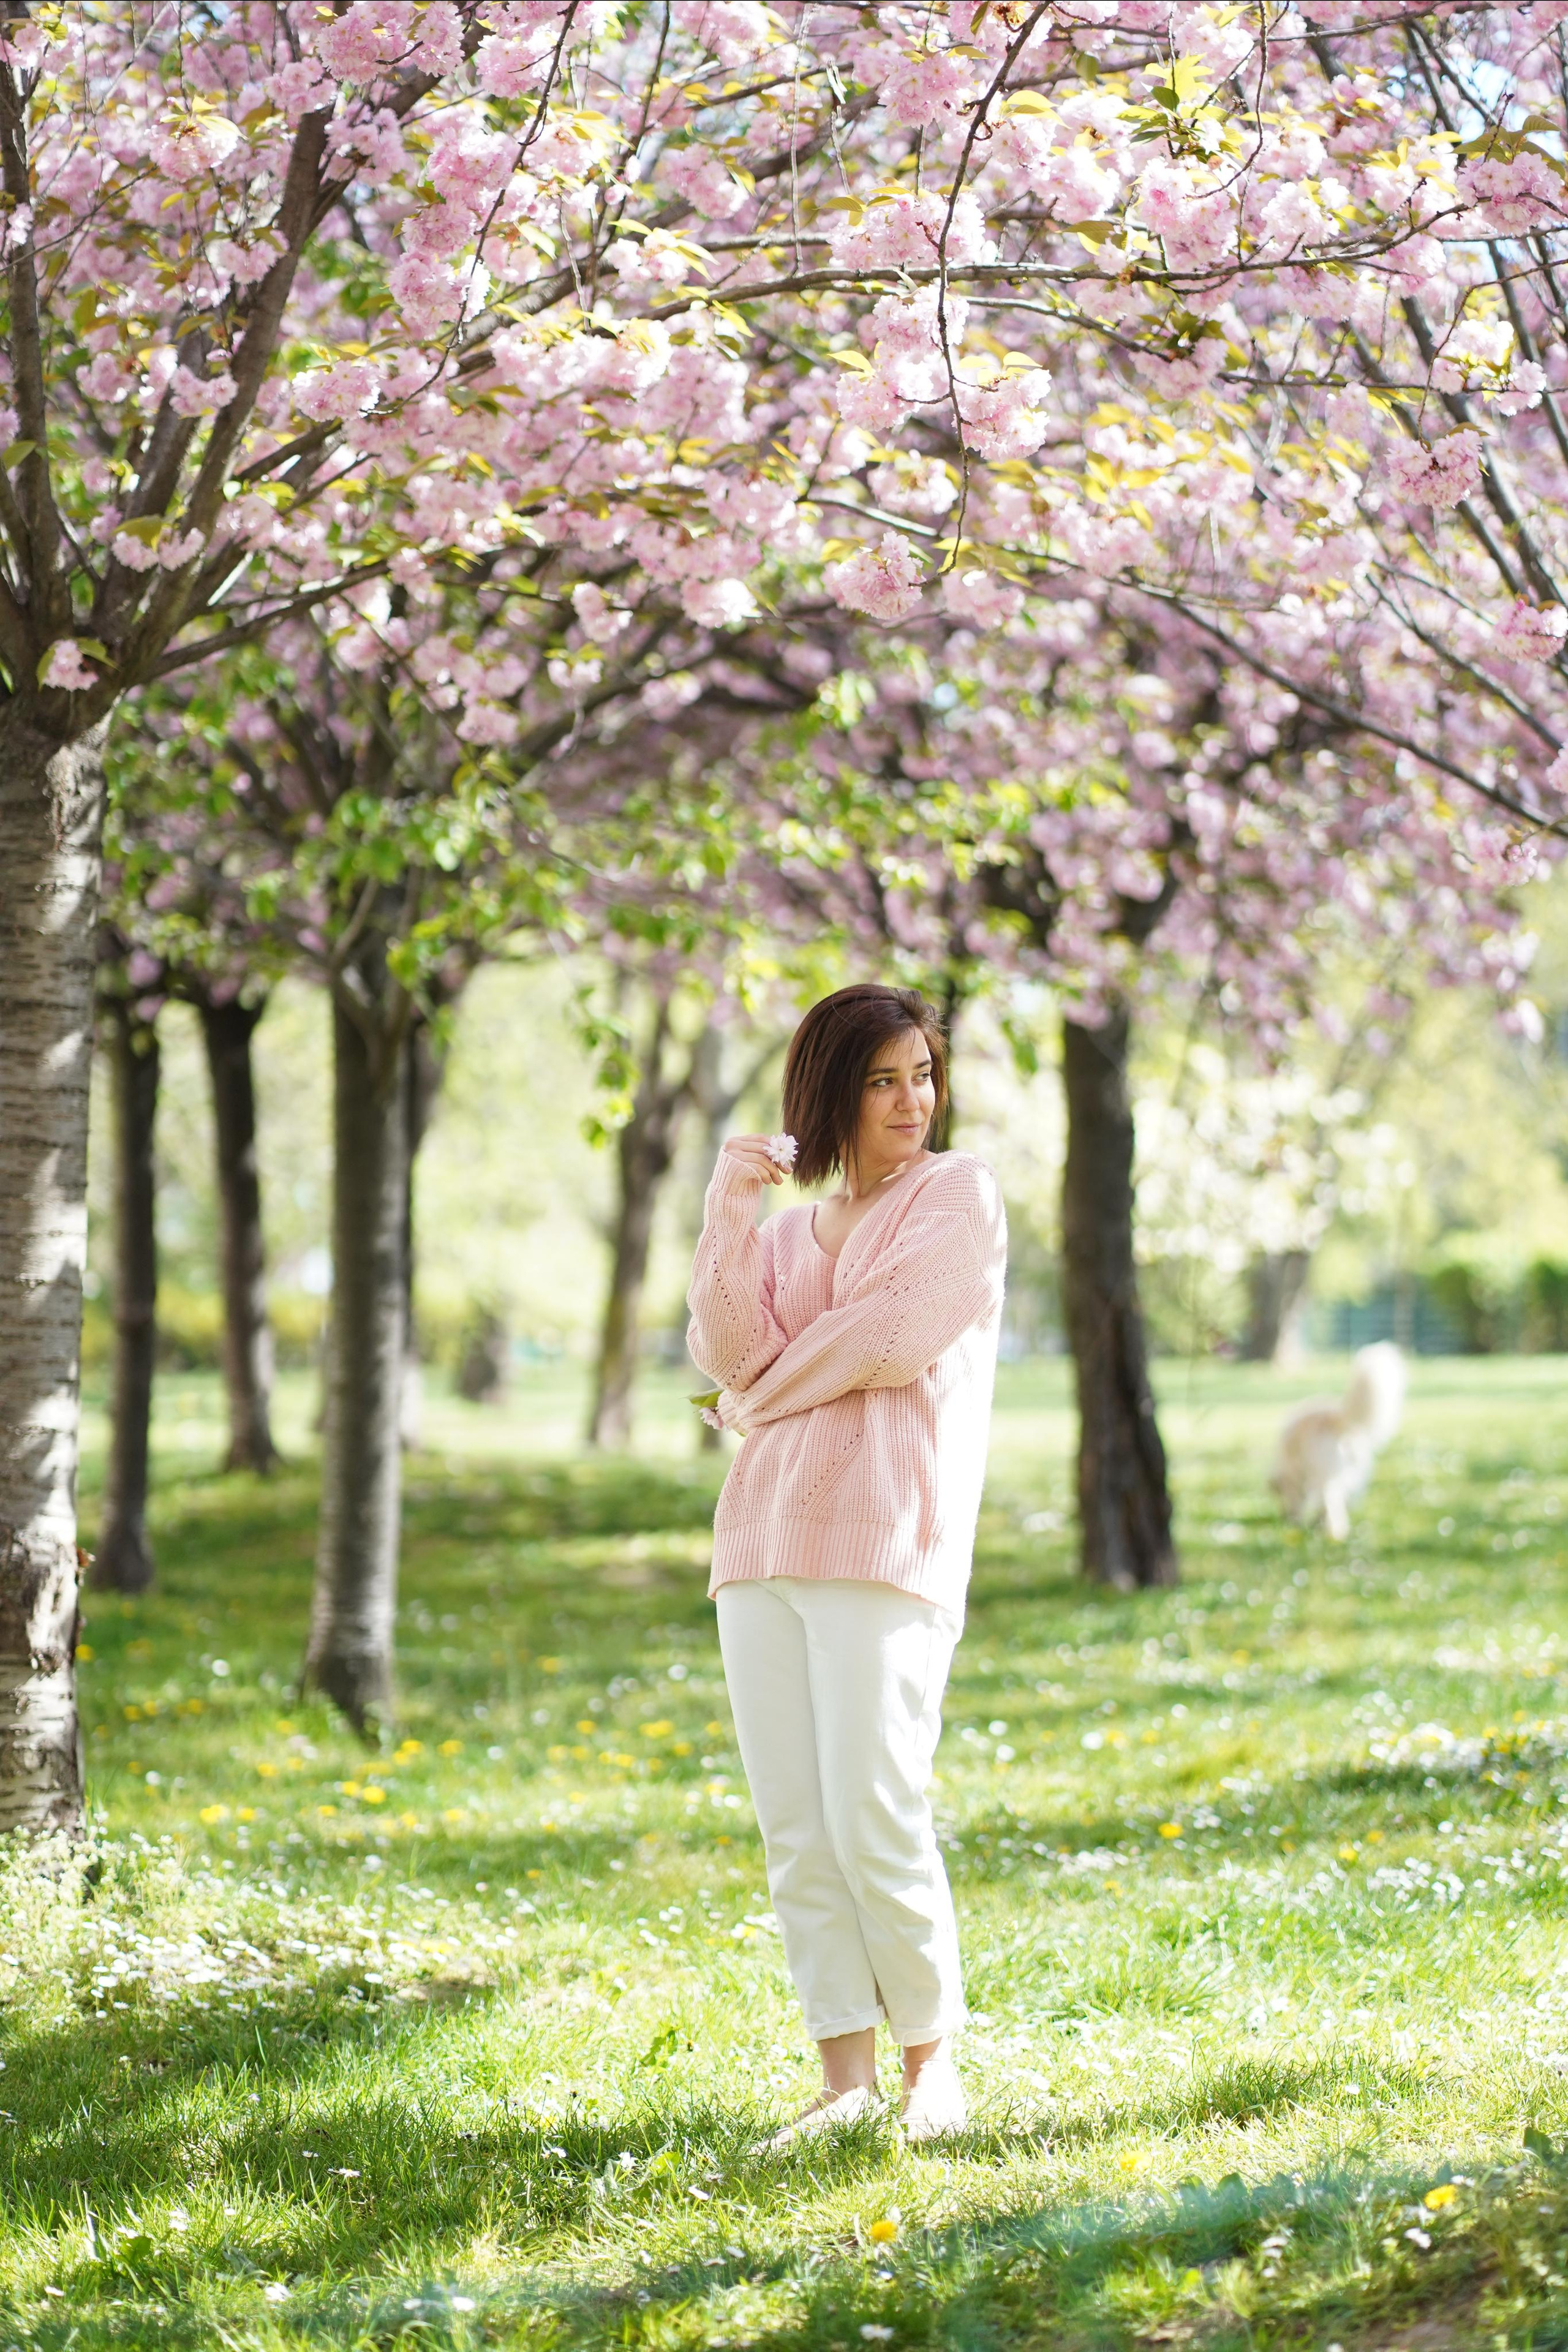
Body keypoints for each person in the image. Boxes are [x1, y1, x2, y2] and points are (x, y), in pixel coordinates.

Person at [686, 982, 1007, 2144]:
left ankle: (933, 2068)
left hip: (885, 1535)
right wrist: (728, 1204)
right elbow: (721, 1342)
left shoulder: (957, 1195)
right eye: (882, 1080)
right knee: (797, 1822)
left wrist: (756, 1396)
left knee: (876, 1801)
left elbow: (889, 1337)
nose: (912, 1100)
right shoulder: (778, 1233)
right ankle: (844, 2083)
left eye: (922, 1074)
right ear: (831, 1092)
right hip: (759, 1543)